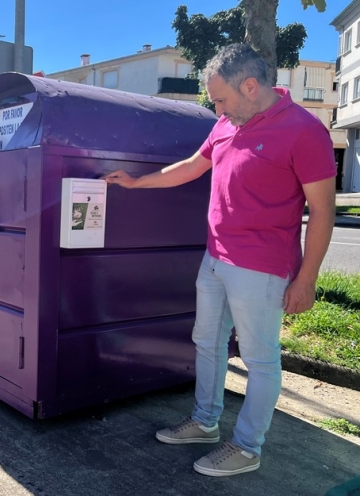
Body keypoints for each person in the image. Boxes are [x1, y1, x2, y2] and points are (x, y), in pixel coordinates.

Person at [104, 43, 336, 477]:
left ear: (251, 86)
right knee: (206, 342)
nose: (217, 109)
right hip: (215, 256)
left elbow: (323, 209)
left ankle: (247, 447)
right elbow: (193, 165)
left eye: (221, 99)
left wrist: (306, 279)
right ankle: (205, 422)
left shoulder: (304, 130)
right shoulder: (229, 124)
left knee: (259, 358)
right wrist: (136, 184)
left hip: (262, 266)